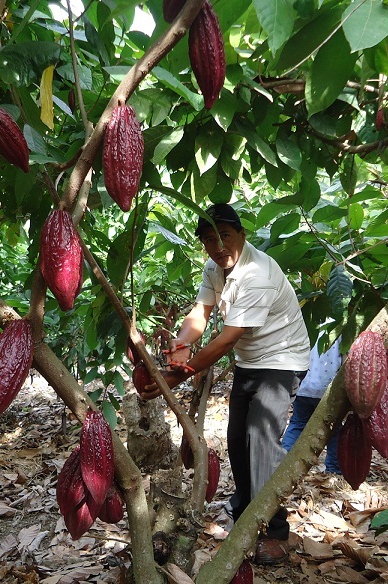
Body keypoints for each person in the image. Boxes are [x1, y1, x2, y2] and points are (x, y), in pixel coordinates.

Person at [138, 203, 310, 565]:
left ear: (241, 235)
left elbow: (226, 338)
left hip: (282, 361)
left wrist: (178, 374)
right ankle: (247, 516)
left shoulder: (256, 273)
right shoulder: (214, 269)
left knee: (261, 442)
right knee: (237, 441)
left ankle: (276, 532)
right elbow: (200, 314)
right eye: (208, 239)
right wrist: (180, 348)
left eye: (224, 236)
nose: (217, 246)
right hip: (251, 361)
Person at [282, 333, 343, 474]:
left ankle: (283, 462)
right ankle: (334, 470)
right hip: (328, 388)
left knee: (297, 423)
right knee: (334, 429)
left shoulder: (306, 321)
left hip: (303, 384)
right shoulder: (340, 326)